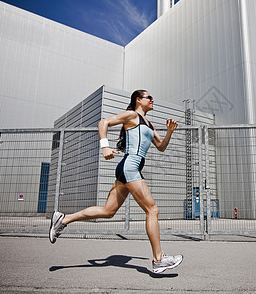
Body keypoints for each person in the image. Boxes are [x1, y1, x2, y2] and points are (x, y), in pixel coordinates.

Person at [49, 90, 183, 274]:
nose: (152, 100)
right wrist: (105, 146)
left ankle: (63, 220)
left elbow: (161, 147)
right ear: (138, 100)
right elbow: (103, 122)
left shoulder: (149, 124)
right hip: (129, 167)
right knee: (152, 210)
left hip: (127, 168)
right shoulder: (132, 115)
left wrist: (169, 132)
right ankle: (158, 260)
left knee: (108, 211)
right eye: (149, 98)